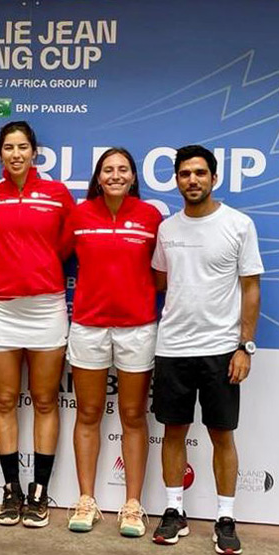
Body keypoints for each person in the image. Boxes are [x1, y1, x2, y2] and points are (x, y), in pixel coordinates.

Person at [151, 145, 263, 554]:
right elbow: (160, 280)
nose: (192, 180)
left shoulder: (238, 224)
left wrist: (244, 347)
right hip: (172, 347)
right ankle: (174, 510)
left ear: (214, 178)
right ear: (177, 180)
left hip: (221, 350)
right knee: (173, 431)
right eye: (185, 174)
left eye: (200, 173)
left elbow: (251, 288)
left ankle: (225, 518)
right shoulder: (167, 229)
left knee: (222, 435)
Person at [0, 121, 75, 527]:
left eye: (22, 147)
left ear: (35, 152)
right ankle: (11, 488)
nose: (16, 154)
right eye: (8, 148)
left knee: (45, 400)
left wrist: (37, 266)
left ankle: (40, 491)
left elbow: (65, 246)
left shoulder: (57, 194)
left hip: (46, 308)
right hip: (0, 309)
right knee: (4, 400)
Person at [64, 148, 162, 536]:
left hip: (137, 327)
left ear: (133, 176)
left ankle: (133, 505)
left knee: (133, 415)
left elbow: (162, 272)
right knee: (88, 413)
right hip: (89, 326)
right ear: (98, 177)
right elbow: (56, 254)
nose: (116, 175)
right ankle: (86, 500)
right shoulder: (80, 215)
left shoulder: (151, 217)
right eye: (108, 170)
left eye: (123, 169)